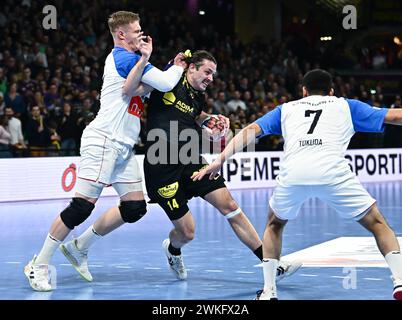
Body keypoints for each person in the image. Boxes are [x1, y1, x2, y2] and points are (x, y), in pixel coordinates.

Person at [193, 69, 402, 300]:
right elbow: (393, 116)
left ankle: (269, 291)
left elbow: (251, 130)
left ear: (304, 91)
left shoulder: (287, 109)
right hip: (332, 172)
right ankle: (399, 282)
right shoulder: (346, 105)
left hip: (294, 173)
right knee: (377, 223)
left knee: (274, 224)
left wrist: (220, 160)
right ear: (331, 92)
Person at [24, 10, 186, 292]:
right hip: (104, 140)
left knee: (134, 207)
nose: (142, 35)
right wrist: (179, 67)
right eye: (137, 31)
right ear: (121, 34)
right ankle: (38, 264)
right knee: (81, 207)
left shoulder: (131, 62)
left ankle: (79, 247)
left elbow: (146, 86)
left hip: (123, 147)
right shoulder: (125, 57)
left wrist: (169, 64)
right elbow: (166, 83)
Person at [143, 50, 301, 281]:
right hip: (161, 167)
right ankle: (172, 249)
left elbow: (195, 114)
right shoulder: (168, 80)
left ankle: (271, 264)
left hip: (189, 160)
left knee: (229, 205)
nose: (211, 78)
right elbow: (143, 83)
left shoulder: (198, 95)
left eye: (213, 74)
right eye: (207, 72)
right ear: (191, 68)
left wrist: (210, 118)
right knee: (187, 233)